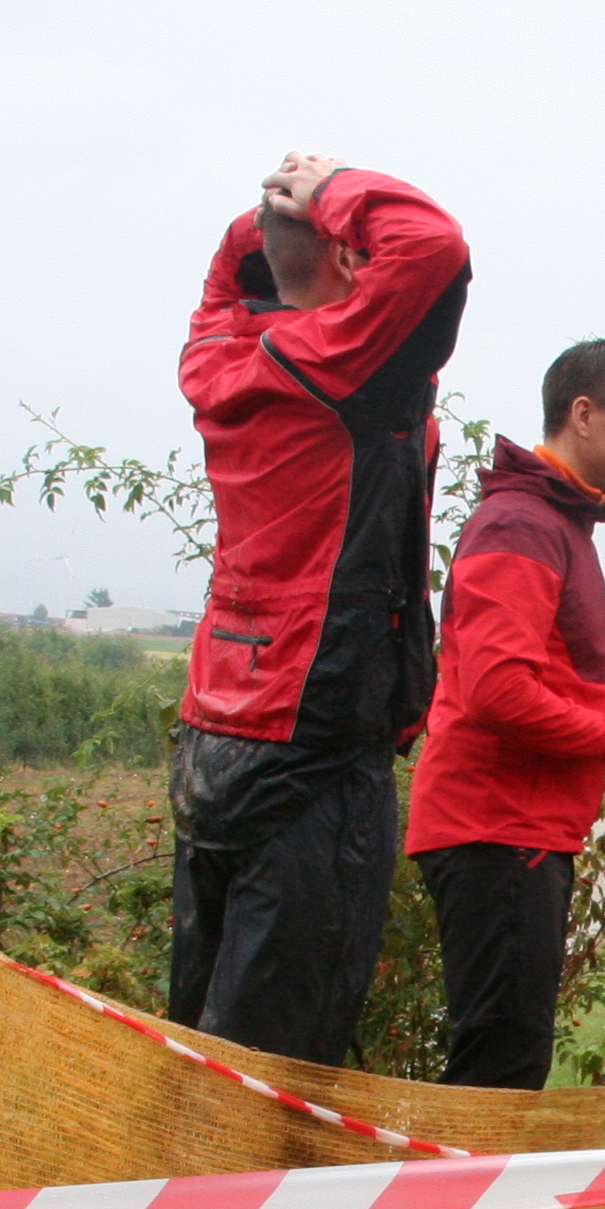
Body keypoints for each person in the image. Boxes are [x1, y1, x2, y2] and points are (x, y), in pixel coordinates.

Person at [169, 150, 472, 1065]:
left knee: (201, 1028)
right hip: (317, 733)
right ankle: (257, 1165)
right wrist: (334, 189)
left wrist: (282, 209)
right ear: (344, 255)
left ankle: (177, 1157)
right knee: (280, 1059)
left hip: (218, 726)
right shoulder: (347, 361)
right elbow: (433, 246)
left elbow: (243, 260)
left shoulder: (218, 347)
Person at [406, 340, 605, 1089]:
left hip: (514, 829)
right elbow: (497, 692)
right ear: (582, 414)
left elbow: (531, 678)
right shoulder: (522, 525)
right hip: (497, 826)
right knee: (501, 1069)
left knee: (505, 1059)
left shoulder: (554, 522)